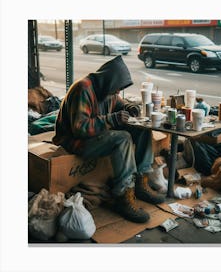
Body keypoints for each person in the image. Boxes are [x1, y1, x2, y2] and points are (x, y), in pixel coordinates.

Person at [52, 55, 165, 223]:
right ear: (109, 81)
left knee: (142, 131)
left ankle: (141, 182)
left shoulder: (107, 89)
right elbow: (80, 128)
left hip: (96, 133)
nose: (118, 92)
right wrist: (112, 119)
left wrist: (129, 107)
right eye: (117, 88)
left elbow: (119, 103)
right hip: (75, 140)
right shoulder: (83, 89)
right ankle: (123, 196)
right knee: (123, 138)